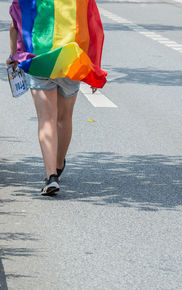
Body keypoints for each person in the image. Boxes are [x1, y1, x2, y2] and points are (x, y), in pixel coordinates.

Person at [7, 0, 107, 196]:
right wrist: (93, 67)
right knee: (64, 118)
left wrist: (13, 55)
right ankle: (59, 165)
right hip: (69, 62)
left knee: (46, 120)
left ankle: (50, 175)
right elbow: (94, 27)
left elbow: (15, 24)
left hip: (39, 61)